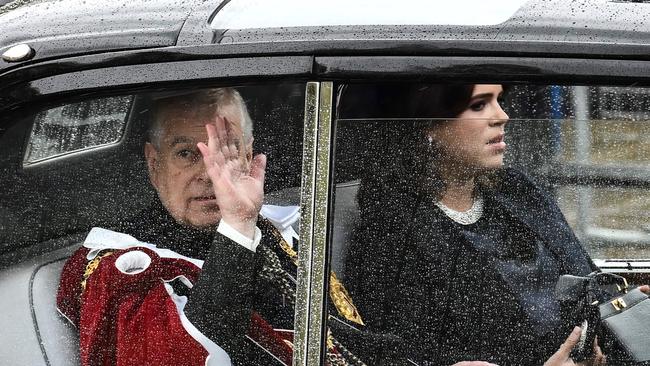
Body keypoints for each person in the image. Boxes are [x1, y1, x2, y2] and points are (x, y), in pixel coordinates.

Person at [56, 88, 400, 366]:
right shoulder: (124, 267)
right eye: (187, 154)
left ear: (249, 155)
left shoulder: (276, 234)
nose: (210, 173)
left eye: (226, 149)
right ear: (154, 163)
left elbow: (346, 343)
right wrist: (236, 223)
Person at [341, 83, 617, 366]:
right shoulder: (391, 228)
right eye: (478, 105)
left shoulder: (517, 191)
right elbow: (393, 351)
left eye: (499, 100)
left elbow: (587, 280)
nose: (502, 116)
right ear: (430, 125)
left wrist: (619, 310)